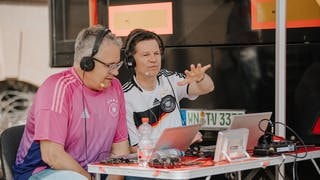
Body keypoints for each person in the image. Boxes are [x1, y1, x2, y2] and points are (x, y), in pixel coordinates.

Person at [13, 25, 130, 180]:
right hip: (42, 172)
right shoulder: (57, 88)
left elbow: (120, 148)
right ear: (86, 63)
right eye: (109, 66)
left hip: (91, 174)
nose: (115, 72)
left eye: (117, 65)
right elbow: (52, 155)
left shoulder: (115, 87)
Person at [122, 29, 214, 153]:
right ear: (130, 61)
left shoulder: (170, 79)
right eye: (146, 55)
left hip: (179, 162)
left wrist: (201, 79)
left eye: (156, 53)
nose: (153, 59)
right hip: (149, 168)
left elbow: (207, 88)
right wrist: (181, 141)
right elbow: (134, 149)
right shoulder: (125, 96)